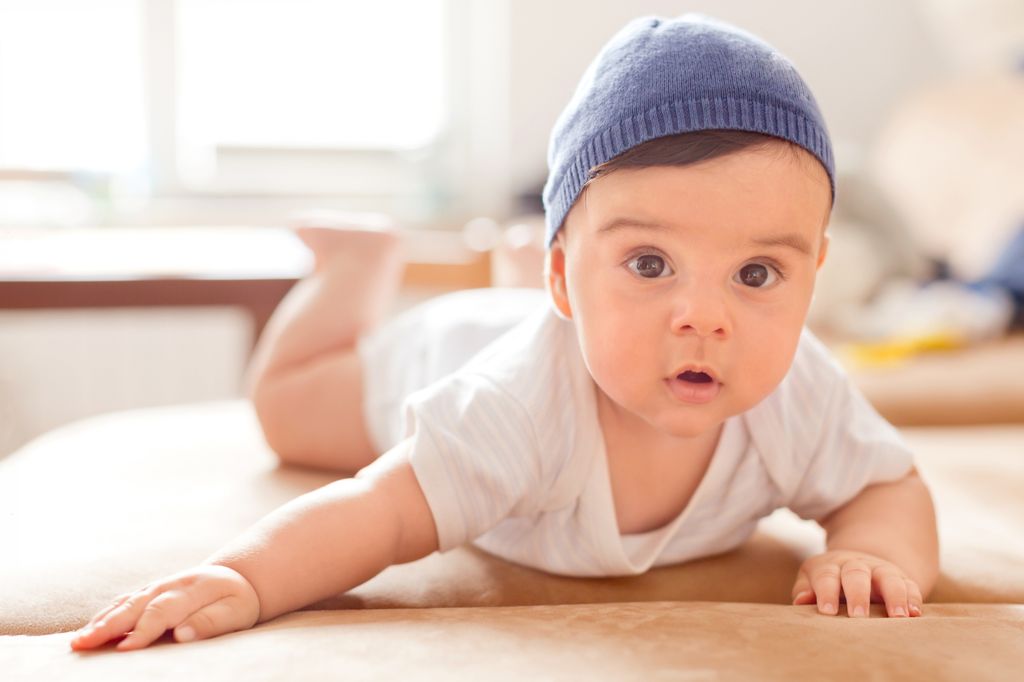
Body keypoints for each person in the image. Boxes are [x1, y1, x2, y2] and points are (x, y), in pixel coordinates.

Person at [71, 14, 939, 652]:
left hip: (554, 313)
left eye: (756, 275)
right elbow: (380, 512)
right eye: (648, 263)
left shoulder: (801, 392)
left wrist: (869, 550)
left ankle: (536, 271)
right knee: (287, 410)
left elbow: (887, 487)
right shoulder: (512, 409)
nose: (704, 316)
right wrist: (244, 578)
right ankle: (359, 264)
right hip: (439, 355)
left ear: (812, 276)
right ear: (573, 273)